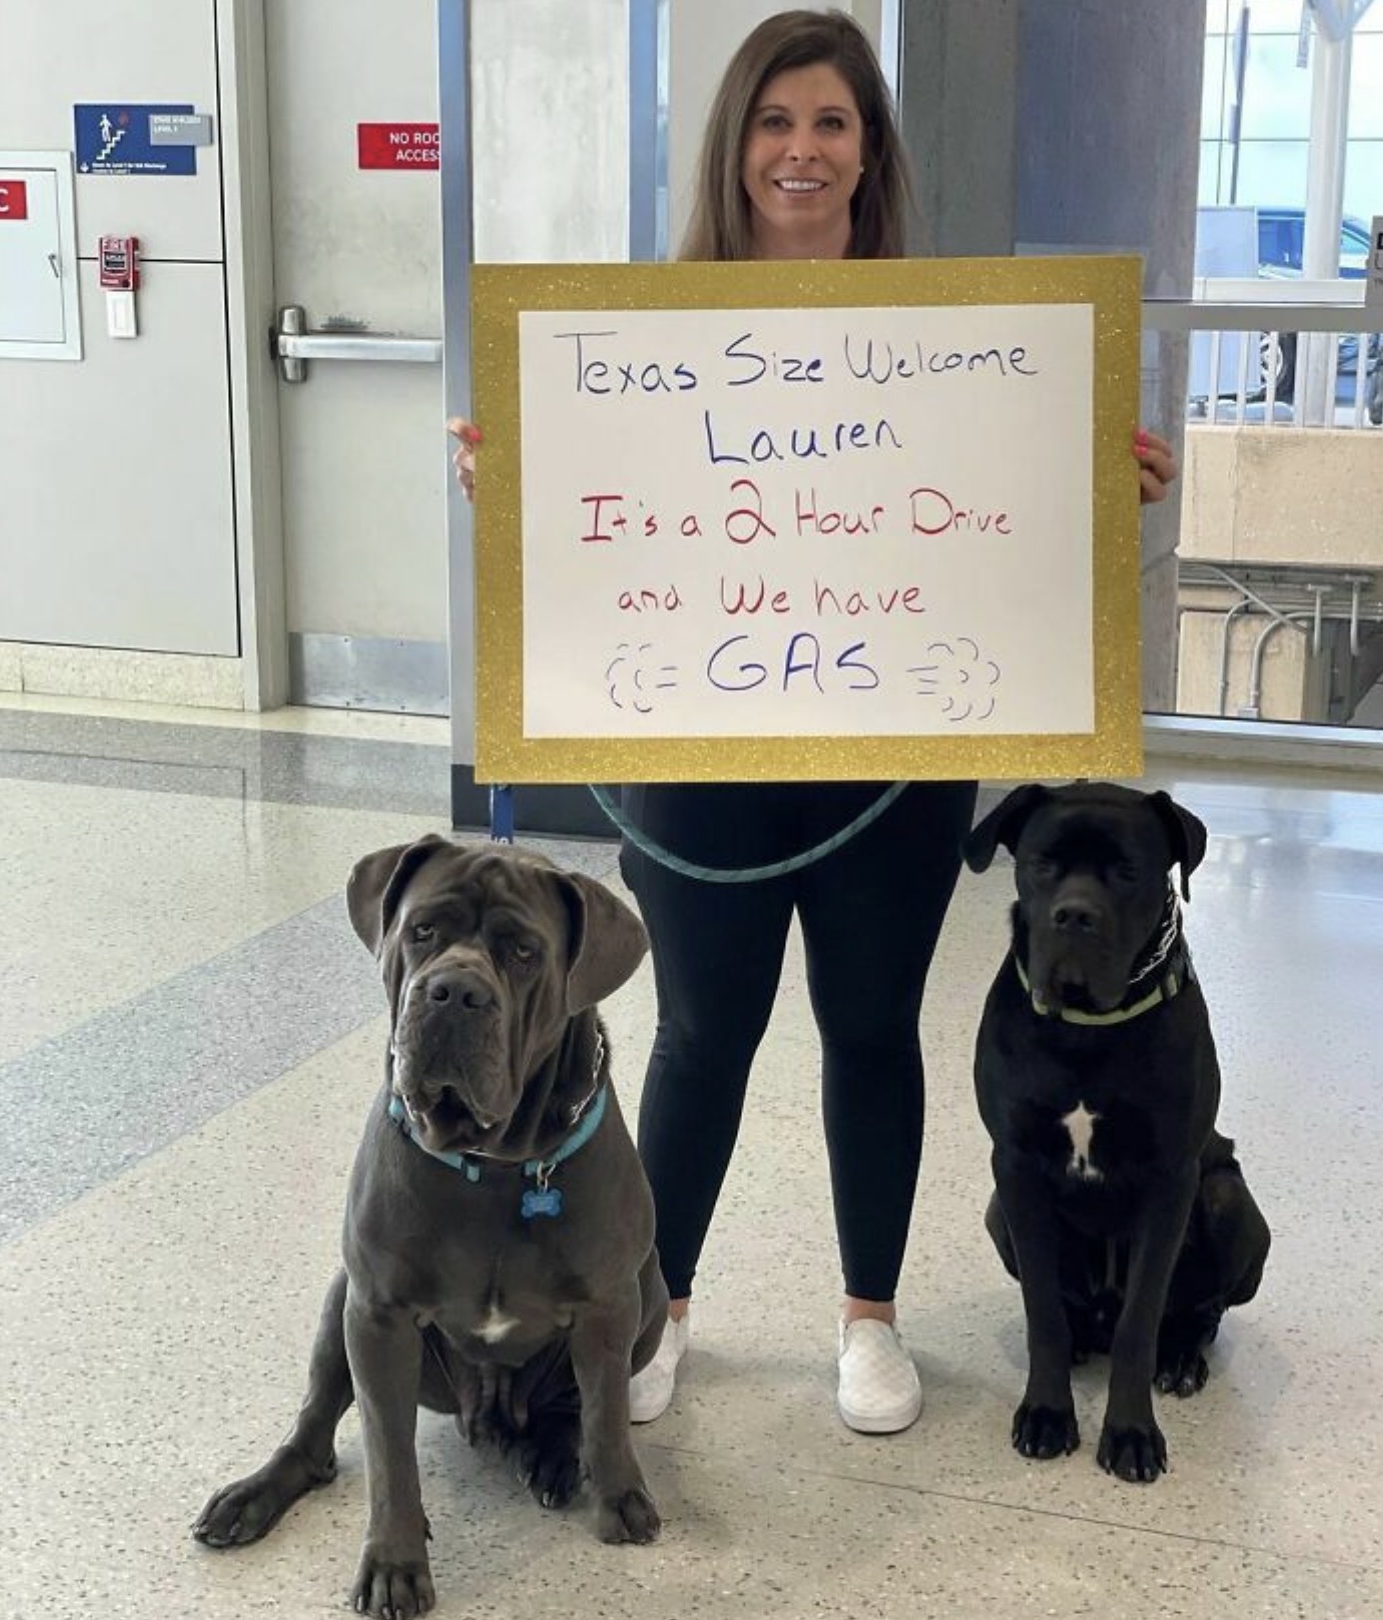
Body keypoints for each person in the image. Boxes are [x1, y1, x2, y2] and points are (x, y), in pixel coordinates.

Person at [448, 8, 1177, 1436]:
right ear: (737, 144)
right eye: (776, 122)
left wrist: (1097, 483)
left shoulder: (957, 339)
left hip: (888, 764)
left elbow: (1000, 525)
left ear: (867, 151)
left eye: (831, 124)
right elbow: (597, 530)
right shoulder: (634, 339)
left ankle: (868, 1321)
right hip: (699, 759)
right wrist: (511, 479)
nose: (801, 150)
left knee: (869, 1030)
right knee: (699, 1035)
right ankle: (653, 1308)